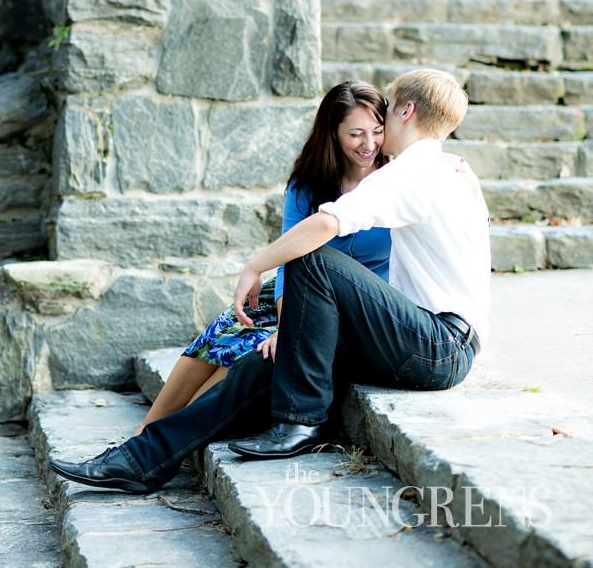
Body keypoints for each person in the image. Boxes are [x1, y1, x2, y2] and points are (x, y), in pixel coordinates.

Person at [52, 68, 489, 493]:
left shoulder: (415, 171)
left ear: (406, 110)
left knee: (311, 254)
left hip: (439, 343)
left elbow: (328, 223)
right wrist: (295, 326)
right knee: (260, 364)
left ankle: (300, 419)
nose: (376, 133)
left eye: (388, 110)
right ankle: (143, 460)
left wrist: (255, 265)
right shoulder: (438, 169)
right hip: (418, 340)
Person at [136, 81, 392, 434]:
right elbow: (290, 261)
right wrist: (285, 322)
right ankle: (145, 431)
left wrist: (287, 333)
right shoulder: (308, 184)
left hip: (356, 303)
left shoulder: (396, 179)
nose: (369, 145)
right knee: (225, 329)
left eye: (378, 131)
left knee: (251, 351)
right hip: (300, 288)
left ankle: (170, 436)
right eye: (356, 134)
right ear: (332, 134)